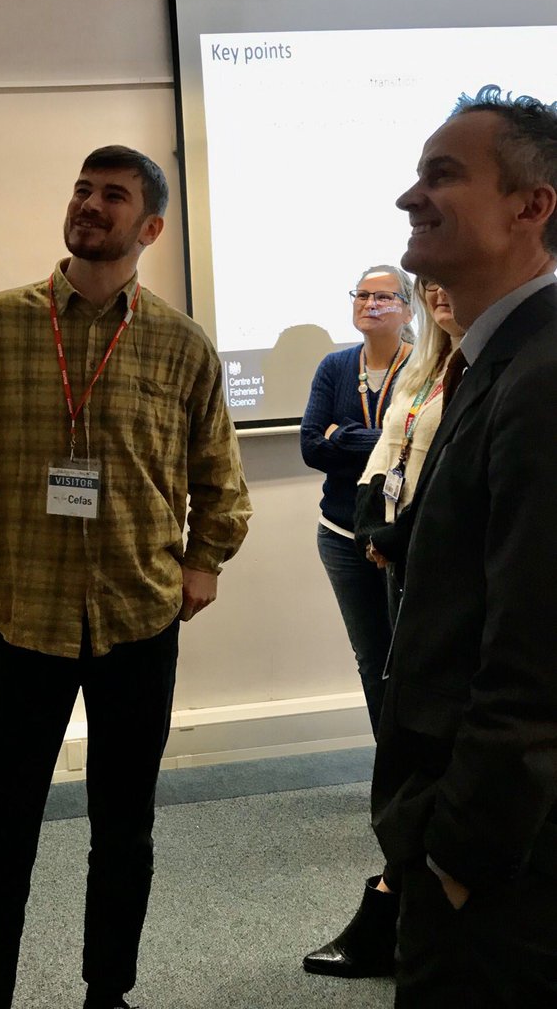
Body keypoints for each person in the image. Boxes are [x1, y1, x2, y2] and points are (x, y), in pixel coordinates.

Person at [0, 144, 251, 1009]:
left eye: (114, 195)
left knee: (124, 831)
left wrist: (204, 559)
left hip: (138, 618)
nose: (91, 205)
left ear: (152, 227)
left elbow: (220, 475)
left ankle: (109, 993)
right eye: (83, 190)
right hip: (23, 618)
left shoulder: (181, 344)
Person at [371, 85, 557, 1007]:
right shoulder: (498, 360)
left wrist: (457, 857)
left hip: (501, 872)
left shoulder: (543, 376)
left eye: (442, 176)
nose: (410, 197)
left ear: (533, 206)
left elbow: (535, 654)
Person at [302, 275, 464, 979]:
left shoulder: (496, 370)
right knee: (392, 688)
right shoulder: (426, 368)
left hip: (439, 566)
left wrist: (400, 534)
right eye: (430, 288)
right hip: (382, 546)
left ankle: (401, 905)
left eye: (443, 284)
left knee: (435, 721)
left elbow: (451, 474)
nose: (439, 295)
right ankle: (402, 900)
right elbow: (369, 455)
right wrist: (377, 525)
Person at [300, 265, 413, 737]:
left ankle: (418, 764)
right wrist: (385, 440)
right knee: (370, 657)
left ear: (408, 309)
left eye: (384, 297)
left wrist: (343, 435)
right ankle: (389, 762)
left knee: (409, 655)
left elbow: (419, 450)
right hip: (341, 534)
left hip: (403, 535)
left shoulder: (424, 366)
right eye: (362, 295)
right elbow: (311, 448)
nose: (370, 304)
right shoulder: (334, 367)